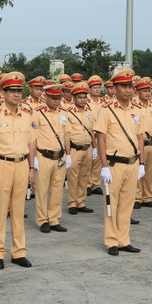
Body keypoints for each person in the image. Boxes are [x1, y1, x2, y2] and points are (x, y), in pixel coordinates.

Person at [0, 72, 36, 269]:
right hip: (1, 164)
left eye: (19, 91)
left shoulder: (27, 115)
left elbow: (31, 143)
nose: (16, 94)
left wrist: (31, 167)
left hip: (21, 165)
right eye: (12, 91)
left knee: (19, 212)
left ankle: (18, 252)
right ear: (3, 92)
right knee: (0, 211)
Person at [94, 69, 144, 255]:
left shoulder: (137, 110)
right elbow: (101, 138)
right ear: (114, 89)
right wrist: (104, 165)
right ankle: (111, 240)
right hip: (113, 165)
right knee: (111, 203)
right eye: (123, 86)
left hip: (132, 163)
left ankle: (124, 240)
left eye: (130, 86)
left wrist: (142, 163)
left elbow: (140, 138)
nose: (128, 90)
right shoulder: (107, 110)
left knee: (127, 204)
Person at [32, 84, 71, 232]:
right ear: (46, 96)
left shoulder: (64, 113)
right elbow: (33, 136)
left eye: (58, 98)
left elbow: (67, 134)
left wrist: (69, 154)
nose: (56, 101)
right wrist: (34, 156)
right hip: (43, 155)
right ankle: (42, 220)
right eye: (53, 98)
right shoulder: (37, 113)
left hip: (59, 156)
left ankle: (54, 218)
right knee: (42, 190)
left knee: (57, 189)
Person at [65, 81, 96, 214]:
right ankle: (72, 203)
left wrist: (95, 148)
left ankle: (81, 201)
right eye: (80, 97)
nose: (83, 100)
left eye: (85, 97)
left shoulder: (90, 113)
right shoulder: (68, 113)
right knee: (73, 177)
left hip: (87, 148)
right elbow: (66, 135)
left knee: (84, 176)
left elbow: (93, 131)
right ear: (74, 98)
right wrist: (67, 154)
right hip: (74, 149)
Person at [133, 77, 152, 209]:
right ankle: (136, 197)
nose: (148, 93)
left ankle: (146, 197)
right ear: (137, 91)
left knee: (149, 172)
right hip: (140, 144)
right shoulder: (133, 106)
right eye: (144, 91)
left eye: (149, 90)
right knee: (138, 172)